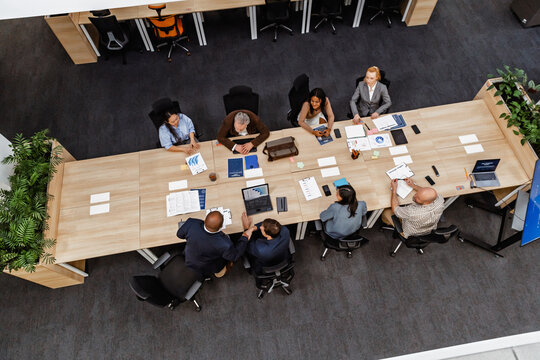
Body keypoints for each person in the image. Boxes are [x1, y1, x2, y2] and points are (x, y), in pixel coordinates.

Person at [177, 211, 255, 278]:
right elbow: (234, 256)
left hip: (189, 260)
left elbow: (179, 235)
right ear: (221, 226)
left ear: (204, 220)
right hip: (210, 267)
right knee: (224, 264)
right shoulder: (225, 243)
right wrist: (245, 234)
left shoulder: (192, 222)